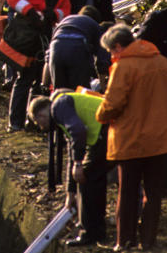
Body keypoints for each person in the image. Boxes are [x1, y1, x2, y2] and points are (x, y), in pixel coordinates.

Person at [95, 25, 167, 251]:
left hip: (132, 139)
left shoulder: (124, 66)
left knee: (127, 193)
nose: (111, 57)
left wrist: (98, 113)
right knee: (153, 194)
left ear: (117, 46)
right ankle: (148, 241)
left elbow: (113, 104)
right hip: (161, 139)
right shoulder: (161, 62)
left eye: (111, 52)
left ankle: (124, 241)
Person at [4, 0, 78, 131]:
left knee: (39, 81)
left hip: (43, 39)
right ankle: (15, 122)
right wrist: (30, 11)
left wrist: (53, 14)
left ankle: (33, 120)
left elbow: (65, 12)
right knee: (23, 79)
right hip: (27, 38)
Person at [28, 89, 110, 247]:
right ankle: (96, 229)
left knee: (86, 178)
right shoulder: (63, 111)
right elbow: (72, 154)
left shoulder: (59, 107)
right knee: (94, 179)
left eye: (39, 123)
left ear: (40, 116)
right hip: (105, 130)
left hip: (105, 130)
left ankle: (89, 233)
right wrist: (70, 192)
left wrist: (79, 165)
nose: (43, 127)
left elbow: (78, 131)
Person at [46, 13, 108, 91]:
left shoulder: (65, 21)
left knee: (59, 94)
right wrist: (104, 90)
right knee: (79, 92)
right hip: (77, 48)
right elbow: (102, 62)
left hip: (56, 47)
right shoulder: (97, 28)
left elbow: (48, 58)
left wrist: (45, 84)